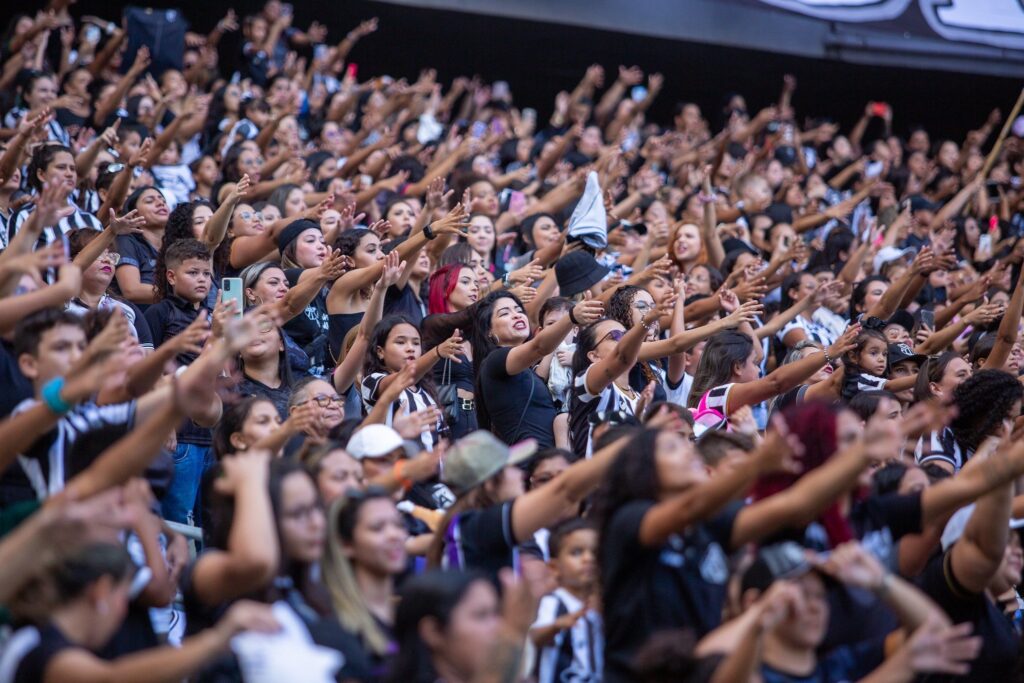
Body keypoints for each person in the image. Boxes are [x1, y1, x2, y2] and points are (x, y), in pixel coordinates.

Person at [529, 518, 603, 683]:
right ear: (554, 568)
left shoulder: (597, 607)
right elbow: (532, 639)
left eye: (595, 553)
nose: (588, 559)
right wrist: (556, 626)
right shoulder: (553, 603)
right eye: (577, 552)